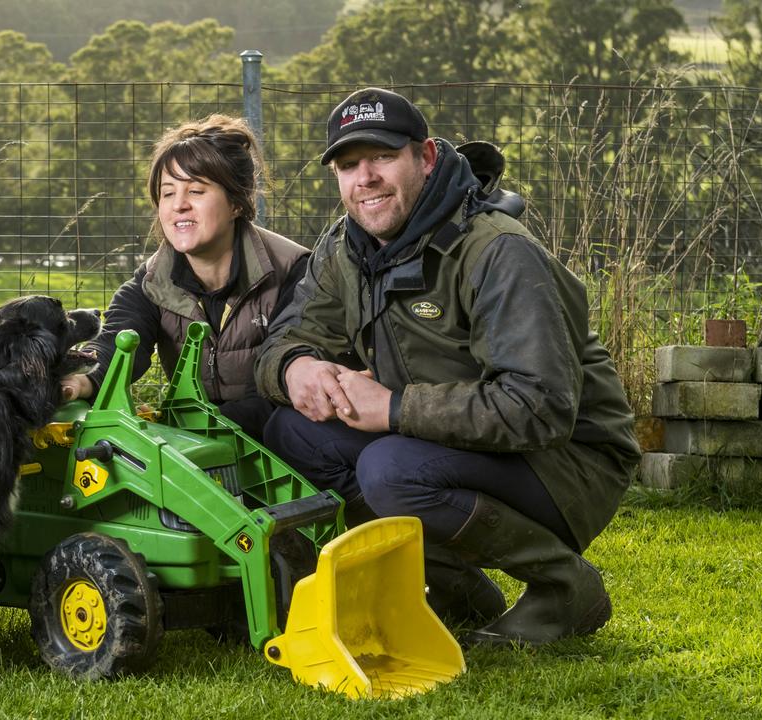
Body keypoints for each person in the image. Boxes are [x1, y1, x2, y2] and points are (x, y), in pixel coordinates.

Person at [254, 88, 641, 646]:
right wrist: (295, 368)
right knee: (293, 431)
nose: (364, 178)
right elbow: (286, 338)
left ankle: (564, 588)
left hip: (570, 461)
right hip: (449, 443)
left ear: (426, 157)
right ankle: (451, 587)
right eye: (347, 165)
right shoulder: (346, 245)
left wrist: (390, 407)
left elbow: (540, 406)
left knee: (390, 469)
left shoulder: (499, 251)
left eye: (382, 157)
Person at [60, 114, 310, 441]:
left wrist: (183, 430)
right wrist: (85, 379)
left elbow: (281, 382)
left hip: (281, 439)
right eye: (167, 193)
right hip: (196, 439)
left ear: (236, 203)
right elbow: (118, 341)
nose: (178, 205)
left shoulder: (295, 270)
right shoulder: (151, 281)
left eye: (195, 191)